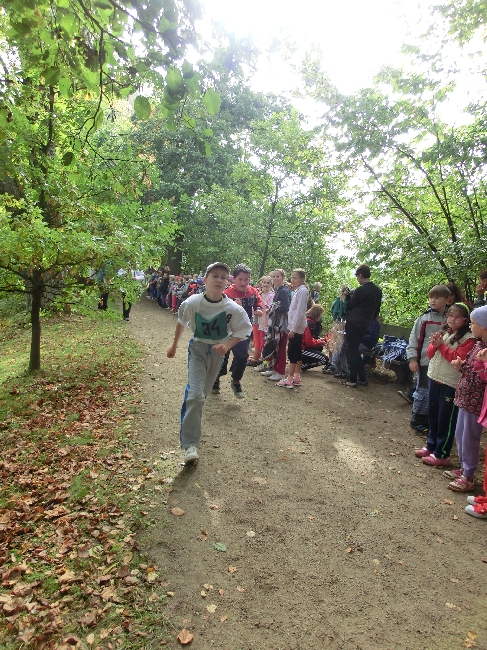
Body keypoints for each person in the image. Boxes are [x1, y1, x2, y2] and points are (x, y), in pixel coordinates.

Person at [166, 262, 251, 464]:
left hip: (216, 354)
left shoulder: (232, 308)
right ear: (206, 280)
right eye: (215, 275)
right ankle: (190, 445)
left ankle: (192, 425)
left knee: (202, 395)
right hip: (197, 349)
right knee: (195, 394)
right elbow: (181, 321)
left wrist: (227, 345)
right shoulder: (193, 303)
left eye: (223, 277)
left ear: (226, 282)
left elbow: (244, 330)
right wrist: (174, 345)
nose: (219, 280)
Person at [414, 303, 475, 467]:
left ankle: (442, 453)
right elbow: (429, 354)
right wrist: (435, 344)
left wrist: (441, 346)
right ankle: (431, 446)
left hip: (451, 382)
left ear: (465, 320)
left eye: (457, 317)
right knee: (432, 415)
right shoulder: (446, 332)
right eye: (450, 315)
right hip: (435, 377)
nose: (452, 319)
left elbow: (456, 358)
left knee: (445, 419)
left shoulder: (468, 338)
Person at [445, 306, 487, 491]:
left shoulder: (484, 349)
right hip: (465, 394)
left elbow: (483, 375)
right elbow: (471, 368)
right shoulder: (478, 343)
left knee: (469, 436)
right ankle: (463, 468)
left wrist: (480, 364)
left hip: (476, 400)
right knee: (460, 433)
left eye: (474, 323)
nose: (471, 325)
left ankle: (468, 475)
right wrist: (460, 366)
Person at [212, 264, 263, 398]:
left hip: (242, 330)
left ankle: (236, 380)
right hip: (226, 331)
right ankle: (215, 379)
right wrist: (233, 307)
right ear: (233, 279)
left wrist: (258, 309)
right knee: (222, 356)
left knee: (242, 356)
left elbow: (258, 301)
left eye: (246, 279)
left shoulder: (252, 292)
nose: (243, 282)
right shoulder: (227, 293)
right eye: (240, 279)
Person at [406, 285, 450, 433]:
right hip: (425, 361)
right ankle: (417, 419)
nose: (433, 300)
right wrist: (413, 358)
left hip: (444, 364)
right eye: (431, 297)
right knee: (423, 391)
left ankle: (432, 421)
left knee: (438, 394)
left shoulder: (451, 318)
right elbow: (414, 339)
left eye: (437, 297)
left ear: (447, 300)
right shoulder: (424, 318)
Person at [342, 265, 382, 388]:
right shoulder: (377, 291)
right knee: (355, 350)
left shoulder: (360, 290)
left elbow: (350, 306)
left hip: (354, 322)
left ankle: (353, 379)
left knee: (352, 350)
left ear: (360, 275)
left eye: (357, 277)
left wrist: (348, 297)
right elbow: (376, 311)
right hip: (365, 324)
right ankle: (363, 379)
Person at [276, 269, 310, 388]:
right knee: (297, 351)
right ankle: (296, 376)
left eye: (295, 278)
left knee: (292, 352)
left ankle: (289, 379)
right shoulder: (299, 290)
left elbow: (300, 311)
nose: (293, 280)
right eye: (292, 278)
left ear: (302, 279)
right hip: (296, 326)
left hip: (296, 327)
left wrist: (293, 329)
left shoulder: (303, 291)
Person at [262, 269, 291, 381]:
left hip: (281, 323)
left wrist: (274, 308)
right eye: (273, 276)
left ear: (283, 278)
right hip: (275, 322)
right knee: (275, 345)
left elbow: (285, 307)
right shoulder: (278, 290)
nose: (275, 279)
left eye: (277, 276)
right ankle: (274, 368)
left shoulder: (284, 291)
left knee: (281, 346)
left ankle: (281, 371)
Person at [323, 285, 350, 378]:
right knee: (338, 345)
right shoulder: (346, 301)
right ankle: (338, 366)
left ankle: (333, 363)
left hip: (341, 326)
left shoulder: (342, 301)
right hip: (342, 326)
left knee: (338, 345)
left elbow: (334, 311)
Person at [301, 304, 329, 371]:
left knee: (319, 347)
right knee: (324, 360)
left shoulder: (307, 320)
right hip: (301, 349)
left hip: (300, 347)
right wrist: (320, 342)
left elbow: (309, 338)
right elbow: (309, 343)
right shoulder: (309, 323)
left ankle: (302, 363)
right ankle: (302, 366)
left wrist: (319, 340)